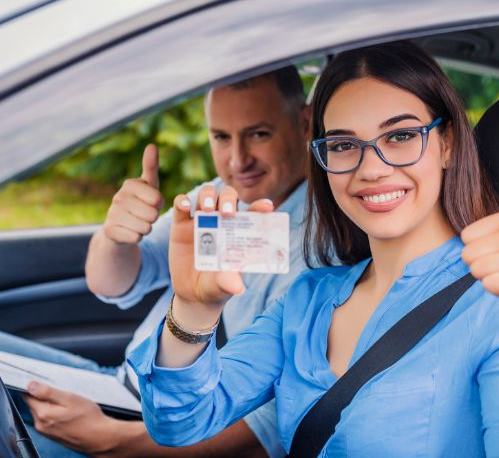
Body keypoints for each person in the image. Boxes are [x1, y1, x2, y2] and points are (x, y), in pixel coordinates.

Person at [129, 41, 499, 457]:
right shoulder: (307, 300)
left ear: (447, 143)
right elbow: (179, 423)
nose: (371, 168)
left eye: (399, 136)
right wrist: (192, 310)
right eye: (343, 145)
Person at [7, 66, 311, 458]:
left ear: (304, 123)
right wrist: (116, 237)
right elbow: (113, 283)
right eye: (221, 137)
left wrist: (110, 440)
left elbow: (266, 428)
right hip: (122, 387)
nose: (238, 160)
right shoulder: (217, 195)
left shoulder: (322, 246)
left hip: (151, 435)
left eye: (259, 134)